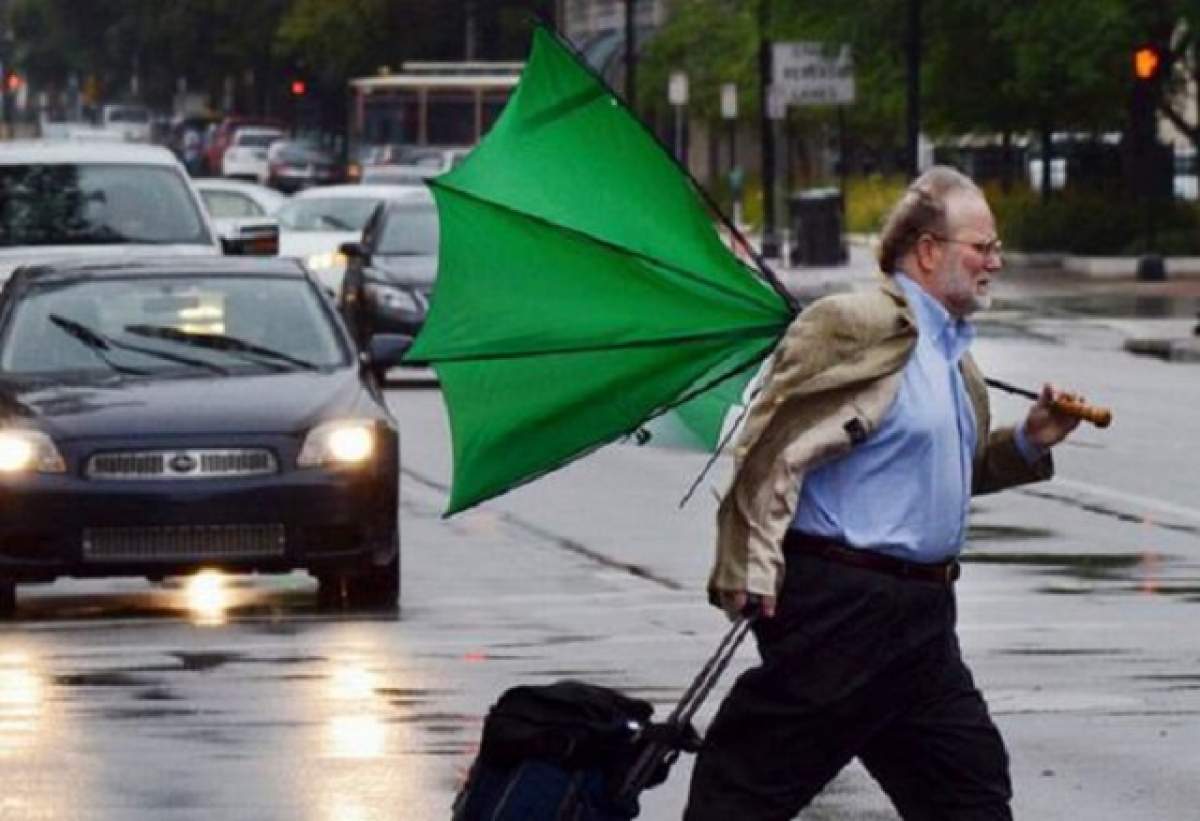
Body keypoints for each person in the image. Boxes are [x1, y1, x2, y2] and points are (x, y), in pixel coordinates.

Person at [683, 166, 1081, 821]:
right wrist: (749, 566)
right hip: (842, 610)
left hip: (923, 617)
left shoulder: (952, 354)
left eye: (996, 248)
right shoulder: (855, 322)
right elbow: (770, 446)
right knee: (742, 793)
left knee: (971, 794)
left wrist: (1032, 440)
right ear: (928, 250)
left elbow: (939, 476)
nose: (996, 262)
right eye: (982, 247)